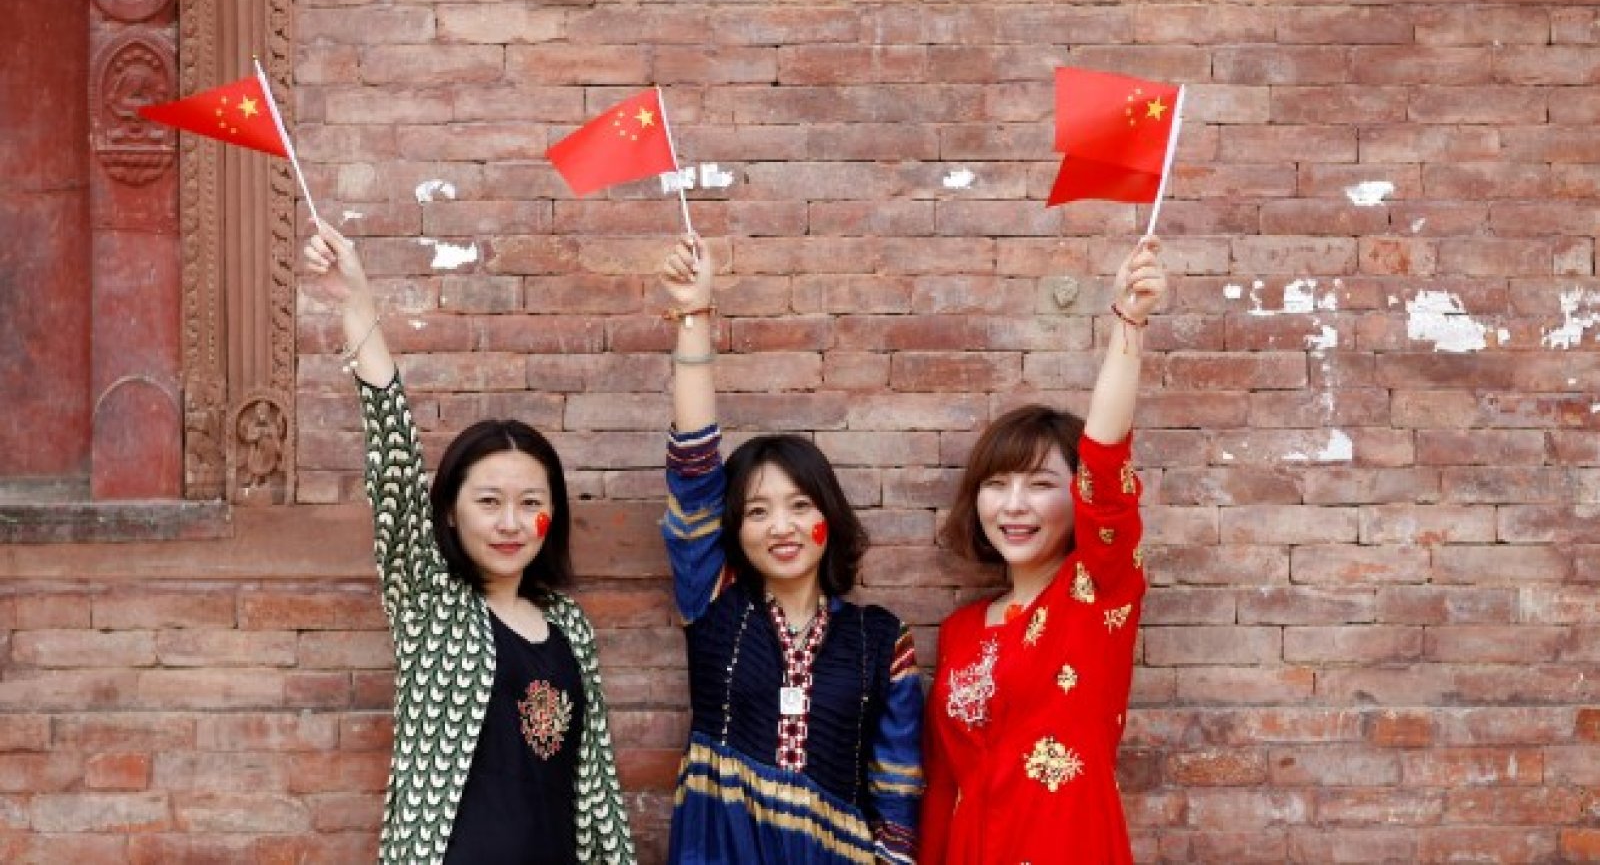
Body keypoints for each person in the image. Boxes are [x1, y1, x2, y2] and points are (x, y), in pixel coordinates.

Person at [301, 221, 635, 865]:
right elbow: (395, 466)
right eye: (488, 502)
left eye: (530, 504)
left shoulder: (569, 625)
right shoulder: (429, 602)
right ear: (450, 515)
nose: (511, 523)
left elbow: (599, 791)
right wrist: (356, 302)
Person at [656, 234, 924, 864]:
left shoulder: (882, 640)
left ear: (829, 515)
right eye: (757, 511)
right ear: (734, 530)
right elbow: (694, 469)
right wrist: (693, 315)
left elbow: (897, 792)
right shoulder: (714, 602)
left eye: (800, 506)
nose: (782, 527)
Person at [920, 237, 1169, 864]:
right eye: (997, 485)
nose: (1014, 506)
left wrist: (1129, 322)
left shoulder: (1098, 590)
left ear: (1077, 496)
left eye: (1039, 485)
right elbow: (944, 786)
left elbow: (1106, 463)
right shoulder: (960, 632)